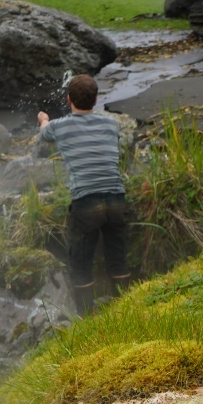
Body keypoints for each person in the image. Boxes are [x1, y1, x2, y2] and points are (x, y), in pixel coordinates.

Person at [36, 74, 130, 311]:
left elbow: (44, 134)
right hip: (116, 198)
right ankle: (126, 308)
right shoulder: (111, 124)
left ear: (68, 99)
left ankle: (87, 316)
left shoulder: (59, 126)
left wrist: (43, 119)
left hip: (86, 201)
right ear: (96, 100)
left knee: (80, 262)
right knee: (117, 257)